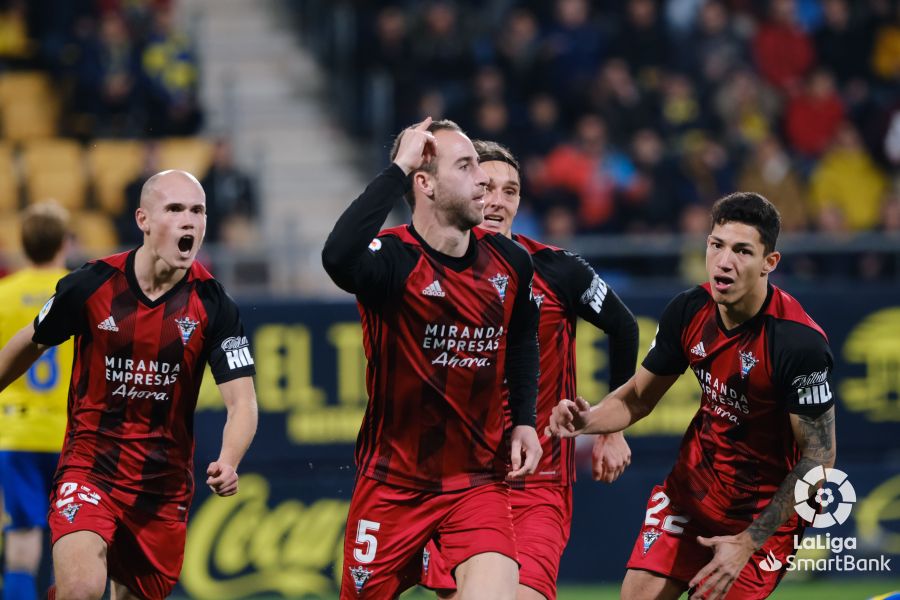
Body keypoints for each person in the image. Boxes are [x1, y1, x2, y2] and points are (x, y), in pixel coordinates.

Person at [548, 192, 837, 600]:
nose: (724, 261)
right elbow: (637, 399)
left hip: (761, 517)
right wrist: (587, 421)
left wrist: (748, 541)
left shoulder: (798, 344)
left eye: (742, 251)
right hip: (690, 493)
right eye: (717, 245)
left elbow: (819, 458)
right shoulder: (688, 310)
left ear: (769, 264)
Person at [0, 170, 259, 600]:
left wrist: (230, 460)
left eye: (197, 211)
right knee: (80, 590)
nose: (189, 221)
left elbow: (243, 402)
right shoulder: (91, 283)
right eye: (175, 209)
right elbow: (31, 340)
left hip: (161, 487)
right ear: (142, 219)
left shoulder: (215, 305)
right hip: (90, 467)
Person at [321, 118, 542, 599]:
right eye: (465, 166)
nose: (482, 178)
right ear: (424, 184)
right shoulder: (392, 260)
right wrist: (398, 166)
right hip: (392, 487)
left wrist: (524, 419)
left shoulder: (510, 263)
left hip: (477, 484)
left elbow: (523, 340)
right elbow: (337, 257)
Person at [420, 141, 640, 600]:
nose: (498, 200)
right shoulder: (428, 270)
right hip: (458, 481)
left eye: (511, 190)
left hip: (537, 481)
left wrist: (612, 429)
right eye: (487, 187)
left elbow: (623, 328)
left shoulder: (556, 269)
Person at [0, 202, 72, 600]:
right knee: (75, 540)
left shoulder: (3, 294)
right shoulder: (80, 292)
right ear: (65, 242)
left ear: (22, 244)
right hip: (71, 436)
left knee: (22, 542)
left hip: (15, 433)